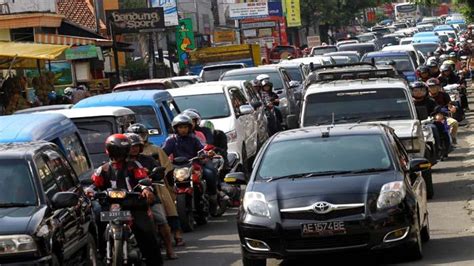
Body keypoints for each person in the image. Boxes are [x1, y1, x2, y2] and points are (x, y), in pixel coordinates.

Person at [88, 134, 163, 265]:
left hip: (133, 205)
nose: (119, 154)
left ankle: (154, 261)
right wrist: (89, 191)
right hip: (110, 206)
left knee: (146, 232)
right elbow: (95, 184)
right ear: (109, 151)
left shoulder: (134, 165)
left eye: (121, 151)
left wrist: (146, 189)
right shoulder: (103, 169)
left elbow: (143, 180)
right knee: (96, 223)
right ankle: (99, 255)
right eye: (116, 151)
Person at [127, 123, 186, 247]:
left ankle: (176, 235)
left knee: (167, 208)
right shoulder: (123, 159)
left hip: (156, 184)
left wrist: (169, 185)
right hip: (131, 189)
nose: (135, 147)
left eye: (141, 135)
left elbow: (166, 169)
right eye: (135, 136)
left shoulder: (155, 150)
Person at [162, 114, 219, 215]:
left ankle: (212, 199)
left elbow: (202, 148)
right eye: (180, 127)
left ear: (189, 128)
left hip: (194, 165)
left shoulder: (194, 139)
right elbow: (163, 153)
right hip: (177, 167)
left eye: (185, 127)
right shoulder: (171, 140)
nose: (183, 130)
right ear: (176, 128)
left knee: (209, 174)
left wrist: (207, 153)